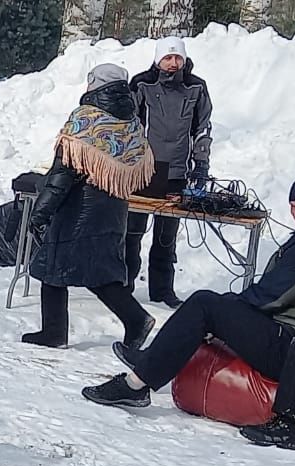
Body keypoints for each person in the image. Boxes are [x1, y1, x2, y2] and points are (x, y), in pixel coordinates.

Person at [83, 168, 295, 452]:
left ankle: (137, 383)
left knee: (205, 304)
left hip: (294, 345)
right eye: (292, 207)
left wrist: (226, 313)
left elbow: (271, 296)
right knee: (214, 308)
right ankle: (148, 365)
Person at [21, 63, 156, 351]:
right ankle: (134, 320)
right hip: (114, 205)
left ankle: (56, 332)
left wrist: (41, 211)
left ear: (94, 84)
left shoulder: (86, 118)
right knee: (99, 271)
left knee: (52, 267)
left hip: (80, 207)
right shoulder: (132, 122)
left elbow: (62, 172)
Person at [125, 37, 214, 308]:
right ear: (158, 59)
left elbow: (203, 129)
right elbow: (129, 125)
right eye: (168, 58)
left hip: (177, 171)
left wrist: (201, 165)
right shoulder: (141, 84)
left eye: (178, 58)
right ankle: (124, 285)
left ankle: (162, 290)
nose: (173, 63)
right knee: (132, 232)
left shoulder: (196, 87)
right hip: (143, 169)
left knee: (166, 238)